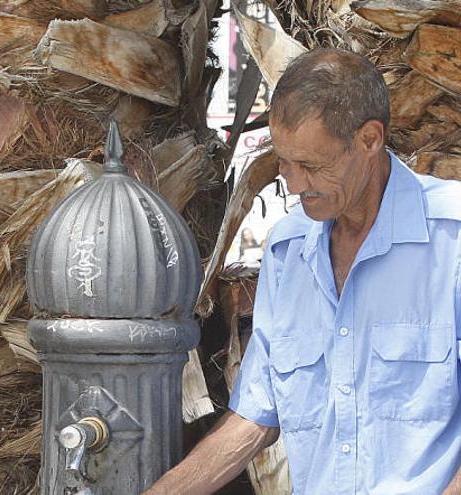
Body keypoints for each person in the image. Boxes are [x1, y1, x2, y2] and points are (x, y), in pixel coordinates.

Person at [144, 48, 461, 494]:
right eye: (284, 163)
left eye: (311, 166)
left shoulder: (452, 239)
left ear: (370, 140)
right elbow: (255, 415)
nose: (292, 185)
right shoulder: (287, 250)